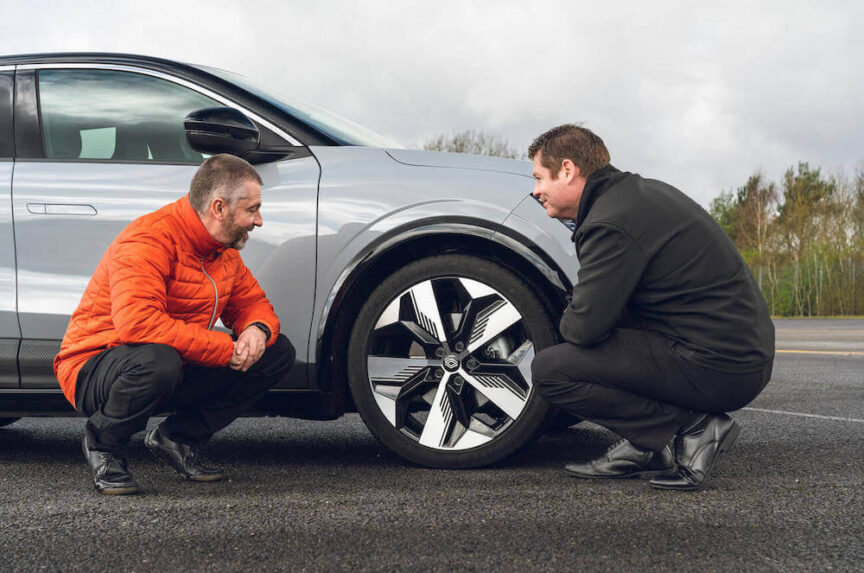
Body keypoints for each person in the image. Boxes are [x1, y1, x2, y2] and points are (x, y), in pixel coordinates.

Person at [528, 124, 774, 491]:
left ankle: (693, 426)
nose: (535, 191)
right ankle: (647, 447)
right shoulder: (632, 197)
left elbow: (585, 328)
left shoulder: (610, 221)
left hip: (720, 363)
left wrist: (568, 312)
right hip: (734, 354)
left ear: (567, 169)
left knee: (552, 370)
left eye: (539, 178)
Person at [54, 154, 295, 495]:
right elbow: (137, 325)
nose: (259, 220)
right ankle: (104, 446)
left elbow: (252, 304)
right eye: (252, 209)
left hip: (170, 359)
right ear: (219, 208)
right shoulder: (148, 239)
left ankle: (177, 438)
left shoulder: (222, 250)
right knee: (159, 361)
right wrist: (225, 350)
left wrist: (257, 329)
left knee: (277, 351)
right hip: (94, 365)